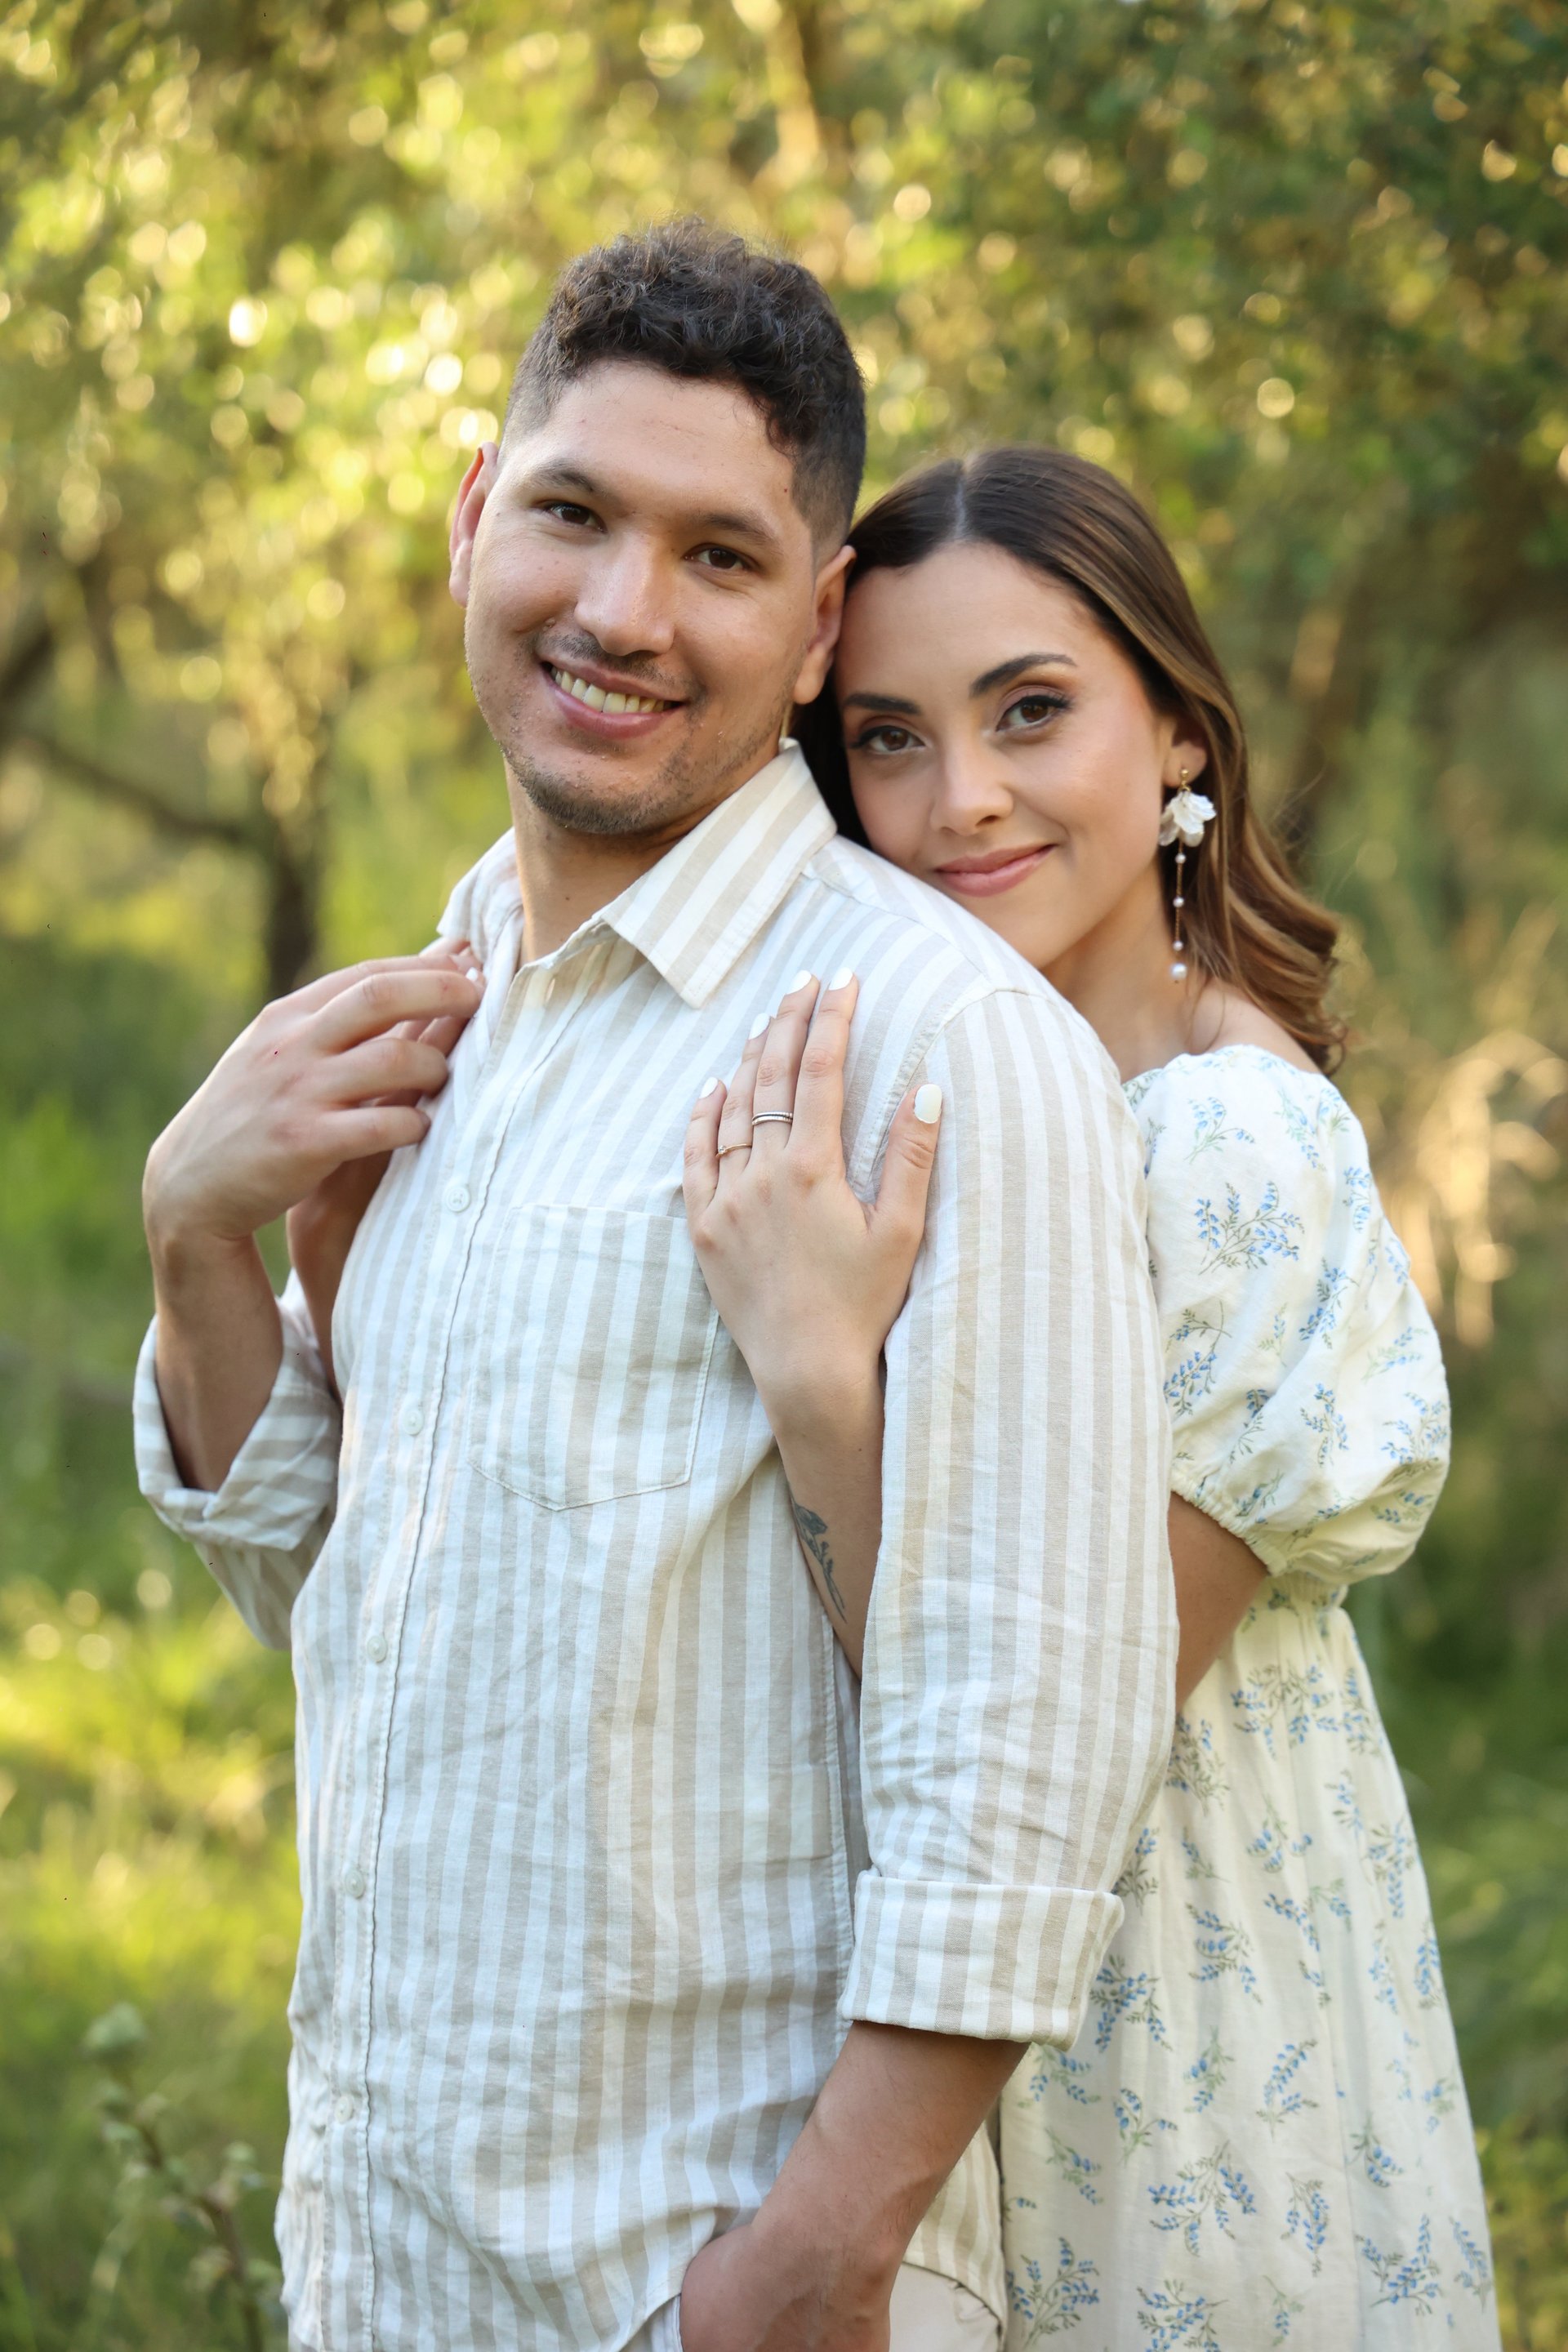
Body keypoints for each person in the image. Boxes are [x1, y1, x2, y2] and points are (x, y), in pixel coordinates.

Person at [134, 226, 1174, 2352]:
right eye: (574, 513)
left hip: (690, 2281)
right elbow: (332, 1597)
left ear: (812, 632)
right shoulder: (450, 1005)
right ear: (468, 520)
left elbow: (1034, 1732)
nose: (619, 612)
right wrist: (191, 1235)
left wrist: (805, 2266)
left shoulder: (937, 1052)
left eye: (718, 557)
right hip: (390, 2258)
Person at [681, 447, 1499, 2347]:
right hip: (971, 1997)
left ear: (1179, 737)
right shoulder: (978, 1101)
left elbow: (1068, 1699)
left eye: (1031, 712)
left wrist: (819, 1381)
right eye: (888, 739)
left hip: (1170, 2043)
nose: (961, 799)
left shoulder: (1221, 1145)